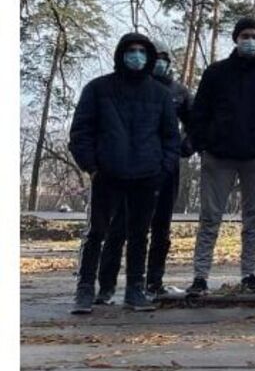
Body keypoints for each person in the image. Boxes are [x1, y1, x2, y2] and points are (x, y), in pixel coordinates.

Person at [67, 33, 180, 313]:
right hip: (107, 174)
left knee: (139, 235)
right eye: (131, 50)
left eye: (142, 51)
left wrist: (162, 170)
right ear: (121, 54)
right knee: (96, 233)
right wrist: (92, 167)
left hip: (146, 176)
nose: (137, 56)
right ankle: (85, 288)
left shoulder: (160, 95)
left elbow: (171, 137)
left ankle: (135, 289)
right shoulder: (98, 88)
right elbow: (81, 131)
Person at [188, 18, 255, 296]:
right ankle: (200, 276)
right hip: (218, 157)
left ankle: (249, 274)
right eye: (245, 35)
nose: (250, 41)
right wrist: (204, 144)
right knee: (210, 217)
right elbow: (199, 112)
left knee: (253, 218)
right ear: (236, 38)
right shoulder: (215, 73)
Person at [98, 48, 194, 304]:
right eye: (156, 58)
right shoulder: (129, 87)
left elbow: (195, 123)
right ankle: (106, 286)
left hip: (166, 167)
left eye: (164, 59)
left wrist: (185, 147)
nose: (158, 62)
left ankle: (153, 282)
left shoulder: (179, 92)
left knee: (161, 226)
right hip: (132, 166)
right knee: (120, 225)